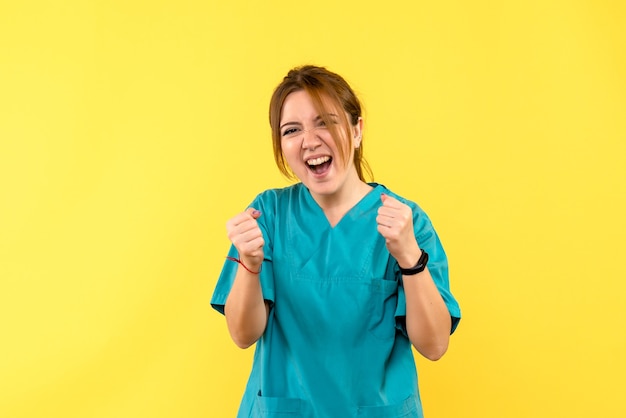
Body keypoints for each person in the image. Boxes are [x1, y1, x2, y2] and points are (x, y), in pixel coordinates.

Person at [211, 65, 461, 418]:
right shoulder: (267, 215)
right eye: (292, 130)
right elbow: (242, 334)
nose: (309, 140)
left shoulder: (407, 222)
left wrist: (410, 257)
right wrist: (249, 266)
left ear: (357, 130)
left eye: (325, 122)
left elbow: (435, 345)